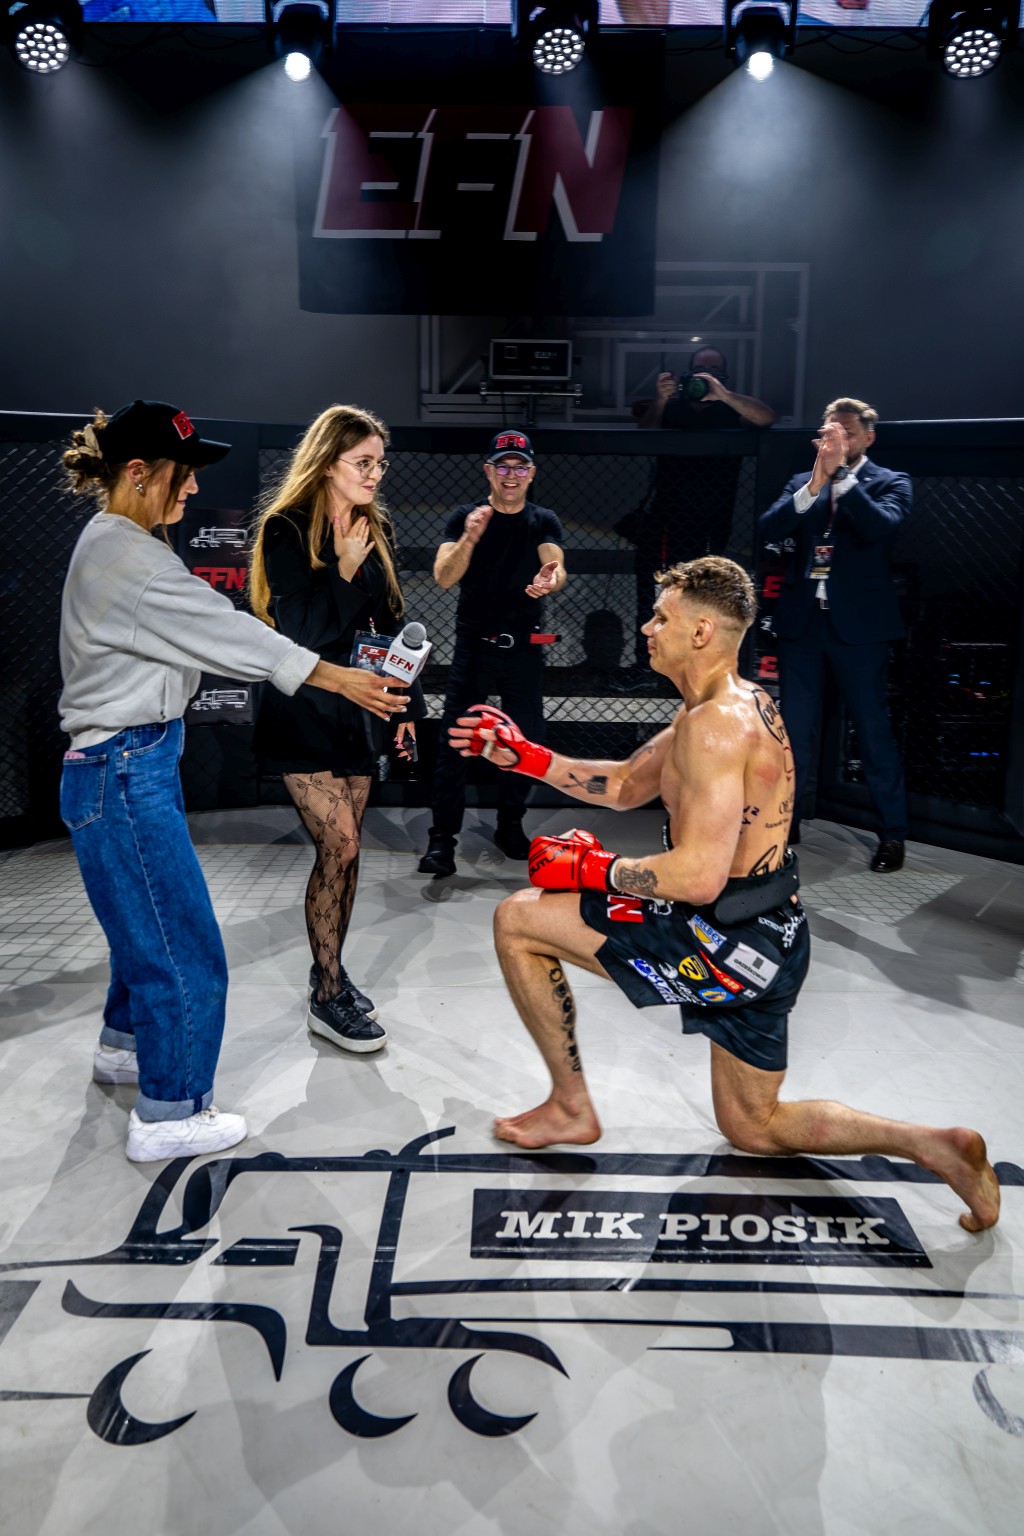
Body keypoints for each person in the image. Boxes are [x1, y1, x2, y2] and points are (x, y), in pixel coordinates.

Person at [447, 556, 999, 1234]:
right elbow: (624, 784)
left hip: (723, 937)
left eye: (662, 618)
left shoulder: (713, 727)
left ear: (702, 631)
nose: (647, 629)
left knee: (518, 920)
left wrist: (593, 869)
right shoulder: (736, 704)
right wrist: (524, 757)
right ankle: (933, 1145)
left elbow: (697, 877)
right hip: (774, 934)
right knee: (754, 1126)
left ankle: (569, 1105)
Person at [58, 400, 408, 1162]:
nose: (192, 490)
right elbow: (233, 633)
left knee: (142, 930)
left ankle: (124, 1047)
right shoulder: (134, 557)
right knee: (183, 946)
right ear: (138, 472)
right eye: (183, 475)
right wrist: (337, 678)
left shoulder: (115, 542)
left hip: (120, 764)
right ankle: (171, 1113)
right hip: (125, 767)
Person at [249, 404, 425, 1053]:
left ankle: (332, 972)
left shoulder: (375, 527)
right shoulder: (286, 528)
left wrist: (408, 709)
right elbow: (300, 633)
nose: (375, 474)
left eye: (380, 463)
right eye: (363, 462)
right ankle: (327, 995)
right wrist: (344, 569)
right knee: (342, 845)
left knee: (346, 855)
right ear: (328, 463)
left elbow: (394, 626)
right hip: (304, 708)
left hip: (361, 708)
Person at [758, 397, 911, 872]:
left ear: (868, 438)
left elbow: (880, 527)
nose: (836, 440)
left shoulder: (892, 482)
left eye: (846, 433)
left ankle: (892, 834)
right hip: (804, 624)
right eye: (829, 433)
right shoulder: (802, 481)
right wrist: (816, 482)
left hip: (860, 630)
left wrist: (842, 474)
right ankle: (785, 824)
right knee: (794, 732)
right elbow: (769, 528)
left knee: (872, 730)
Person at [417, 429, 566, 879]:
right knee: (455, 743)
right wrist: (470, 538)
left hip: (523, 650)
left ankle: (510, 826)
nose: (511, 474)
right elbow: (444, 576)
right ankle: (442, 840)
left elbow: (555, 563)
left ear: (532, 473)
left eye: (520, 467)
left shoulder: (542, 520)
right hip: (476, 647)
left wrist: (550, 577)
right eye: (503, 466)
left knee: (527, 741)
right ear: (489, 470)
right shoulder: (465, 517)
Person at [621, 347, 775, 686]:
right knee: (656, 594)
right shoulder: (674, 407)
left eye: (714, 369)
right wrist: (661, 399)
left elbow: (765, 418)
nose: (706, 375)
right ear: (687, 374)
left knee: (705, 595)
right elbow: (644, 433)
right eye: (700, 369)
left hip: (712, 519)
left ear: (724, 376)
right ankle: (649, 668)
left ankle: (697, 669)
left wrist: (725, 395)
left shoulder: (730, 407)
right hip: (667, 518)